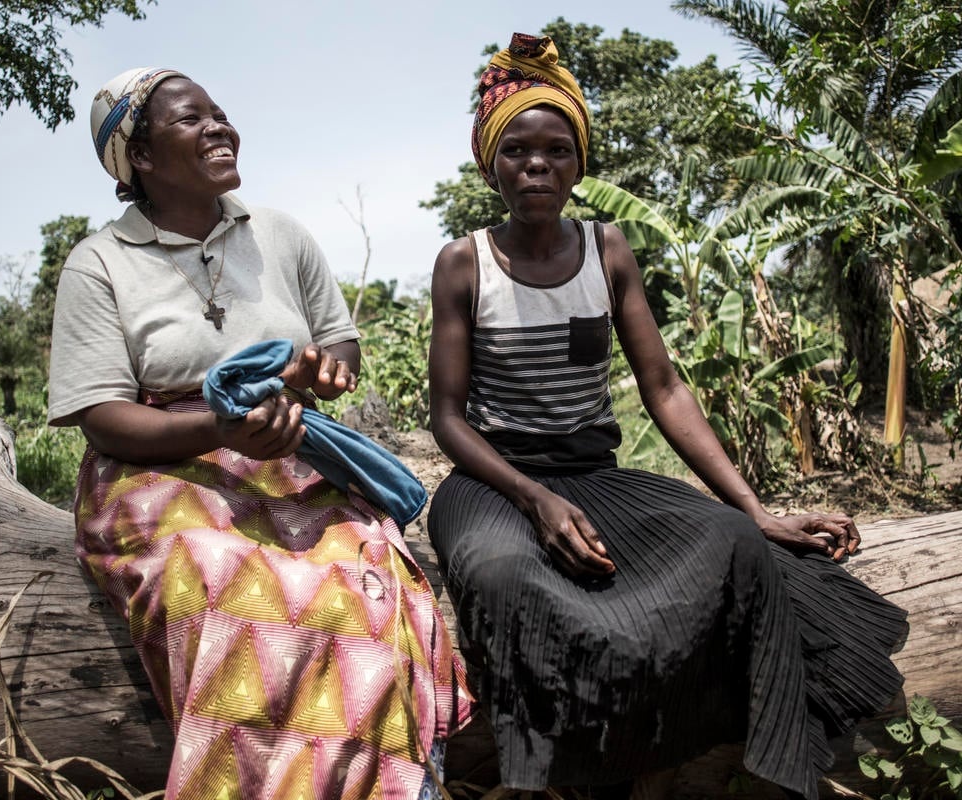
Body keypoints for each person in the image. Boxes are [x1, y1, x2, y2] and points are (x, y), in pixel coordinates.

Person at [426, 33, 907, 800]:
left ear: (580, 163)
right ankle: (551, 777)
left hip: (595, 476)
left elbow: (666, 389)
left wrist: (752, 507)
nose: (538, 165)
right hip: (493, 483)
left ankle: (720, 759)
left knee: (733, 545)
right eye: (516, 150)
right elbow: (447, 418)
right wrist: (535, 498)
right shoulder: (464, 262)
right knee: (500, 574)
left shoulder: (605, 249)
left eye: (557, 149)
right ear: (491, 163)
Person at [48, 67, 470, 799]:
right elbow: (103, 416)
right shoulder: (100, 263)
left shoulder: (279, 235)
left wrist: (316, 375)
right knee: (218, 583)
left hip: (287, 449)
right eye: (191, 120)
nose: (219, 127)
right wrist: (223, 428)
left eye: (220, 113)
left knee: (360, 589)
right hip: (159, 470)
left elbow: (340, 348)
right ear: (140, 158)